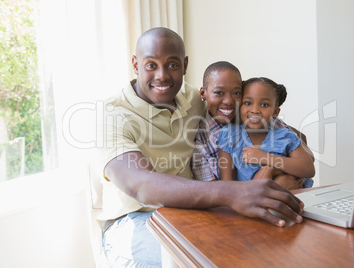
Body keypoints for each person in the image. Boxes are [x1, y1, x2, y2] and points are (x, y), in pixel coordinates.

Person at [99, 27, 305, 267]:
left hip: (193, 211)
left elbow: (281, 132)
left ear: (185, 65)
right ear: (135, 64)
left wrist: (277, 168)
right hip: (135, 219)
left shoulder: (195, 99)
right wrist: (233, 192)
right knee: (200, 259)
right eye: (151, 65)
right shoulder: (112, 115)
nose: (162, 75)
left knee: (276, 244)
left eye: (173, 65)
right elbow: (142, 184)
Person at [192, 62, 312, 188]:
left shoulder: (259, 119)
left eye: (236, 93)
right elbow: (220, 193)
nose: (228, 101)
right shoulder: (201, 142)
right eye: (219, 92)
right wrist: (276, 187)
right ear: (203, 93)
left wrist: (270, 169)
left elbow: (307, 161)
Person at [217, 77, 315, 189]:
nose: (255, 110)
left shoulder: (285, 135)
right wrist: (277, 187)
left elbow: (308, 169)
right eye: (248, 103)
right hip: (250, 201)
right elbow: (227, 186)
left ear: (275, 112)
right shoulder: (229, 135)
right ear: (239, 106)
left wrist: (266, 160)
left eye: (264, 105)